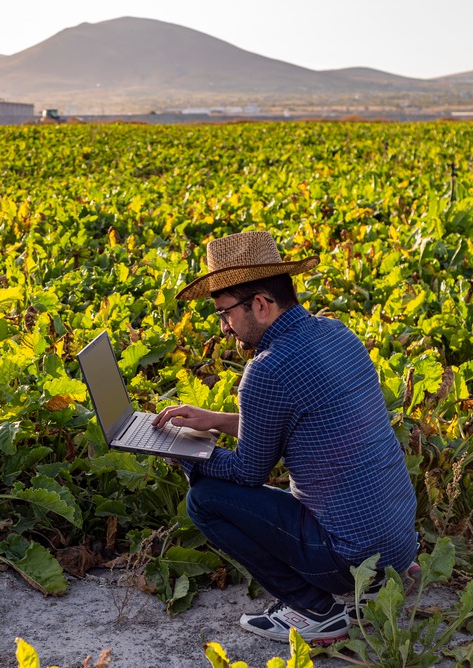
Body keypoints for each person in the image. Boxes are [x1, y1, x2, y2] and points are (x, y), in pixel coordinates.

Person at [153, 230, 419, 645]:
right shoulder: (336, 333)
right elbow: (301, 425)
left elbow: (247, 473)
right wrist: (215, 421)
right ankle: (380, 582)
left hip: (350, 558)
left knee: (204, 500)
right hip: (397, 544)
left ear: (260, 304)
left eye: (225, 314)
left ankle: (315, 610)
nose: (224, 328)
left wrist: (182, 450)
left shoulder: (267, 369)